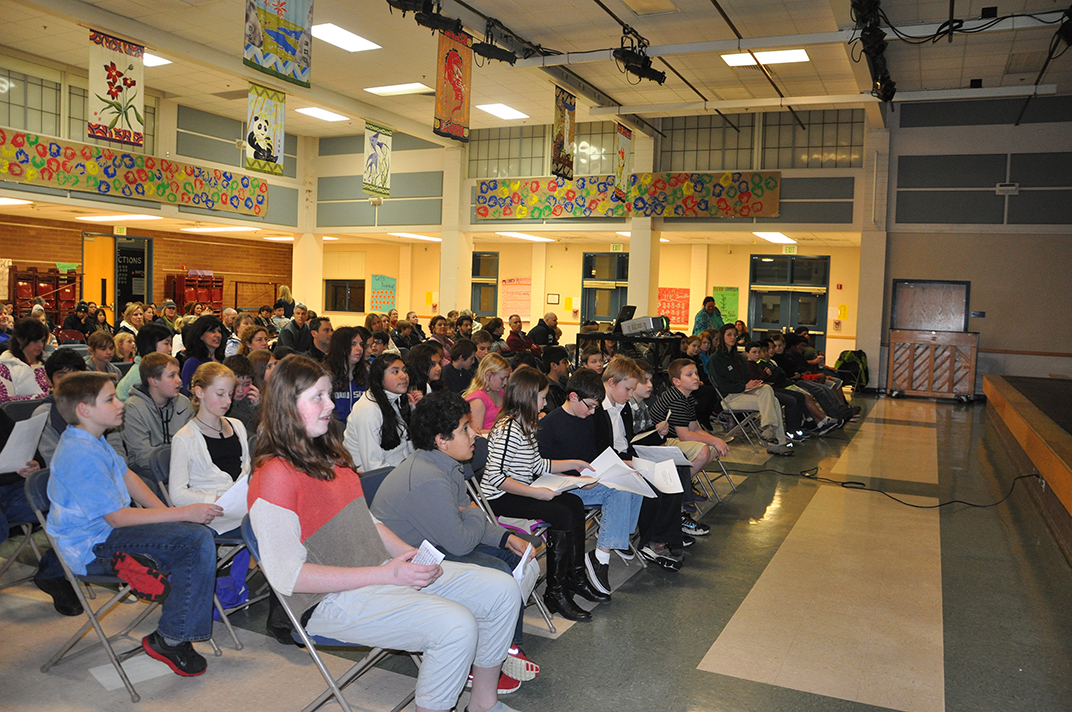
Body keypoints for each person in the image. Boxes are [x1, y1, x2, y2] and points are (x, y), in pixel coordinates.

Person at [248, 355, 523, 712]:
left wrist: (408, 555)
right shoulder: (273, 475)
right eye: (318, 397)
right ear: (286, 404)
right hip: (326, 600)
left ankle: (483, 704)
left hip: (375, 571)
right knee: (455, 626)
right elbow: (288, 576)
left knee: (501, 589)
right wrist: (388, 573)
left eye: (329, 394)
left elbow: (368, 524)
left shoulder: (331, 456)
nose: (331, 405)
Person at [47, 371, 220, 676]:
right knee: (193, 540)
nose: (120, 403)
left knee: (191, 536)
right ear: (84, 410)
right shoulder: (80, 453)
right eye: (110, 398)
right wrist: (181, 514)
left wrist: (171, 520)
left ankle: (166, 616)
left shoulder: (93, 440)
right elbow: (117, 517)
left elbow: (129, 479)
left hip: (112, 535)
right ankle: (171, 637)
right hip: (91, 548)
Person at [371, 391, 541, 694]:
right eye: (465, 428)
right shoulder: (428, 476)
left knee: (517, 557)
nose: (474, 434)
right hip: (412, 565)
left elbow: (465, 518)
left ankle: (504, 645)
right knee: (500, 571)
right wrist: (473, 515)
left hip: (439, 543)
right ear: (441, 439)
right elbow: (462, 541)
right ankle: (485, 661)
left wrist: (504, 535)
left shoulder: (447, 464)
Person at [480, 366, 595, 623]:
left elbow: (536, 465)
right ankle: (555, 592)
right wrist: (535, 493)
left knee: (574, 504)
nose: (545, 402)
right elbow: (497, 479)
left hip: (517, 489)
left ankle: (573, 578)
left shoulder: (526, 424)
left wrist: (573, 464)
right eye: (542, 397)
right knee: (562, 514)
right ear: (527, 397)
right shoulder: (508, 428)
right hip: (498, 498)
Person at [537, 367, 644, 595]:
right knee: (620, 492)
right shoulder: (549, 425)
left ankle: (618, 537)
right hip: (564, 487)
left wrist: (623, 467)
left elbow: (593, 455)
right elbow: (542, 471)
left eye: (596, 407)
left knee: (633, 481)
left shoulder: (585, 418)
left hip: (587, 480)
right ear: (574, 397)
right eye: (591, 406)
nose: (593, 412)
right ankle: (601, 557)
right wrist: (580, 480)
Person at [169, 362, 250, 514]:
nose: (228, 401)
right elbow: (177, 495)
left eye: (230, 394)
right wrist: (217, 500)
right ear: (199, 392)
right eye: (220, 394)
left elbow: (248, 471)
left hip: (242, 507)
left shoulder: (237, 426)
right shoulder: (185, 438)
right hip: (212, 512)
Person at [122, 352, 192, 476]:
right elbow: (142, 456)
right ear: (153, 381)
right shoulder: (133, 408)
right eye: (172, 376)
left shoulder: (183, 403)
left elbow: (193, 444)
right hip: (147, 470)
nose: (179, 381)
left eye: (178, 374)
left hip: (183, 467)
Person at [343, 354, 415, 471]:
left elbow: (408, 446)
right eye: (395, 372)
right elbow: (373, 466)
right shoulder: (368, 409)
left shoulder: (397, 399)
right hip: (374, 478)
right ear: (380, 378)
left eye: (404, 370)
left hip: (400, 469)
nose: (404, 376)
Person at [116, 322, 173, 402]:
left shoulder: (153, 369)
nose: (170, 348)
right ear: (151, 344)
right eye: (166, 343)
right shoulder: (139, 375)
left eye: (170, 344)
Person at [325, 326, 368, 426]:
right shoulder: (325, 376)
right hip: (334, 431)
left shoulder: (366, 375)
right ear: (340, 347)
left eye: (361, 344)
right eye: (353, 344)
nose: (359, 349)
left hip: (359, 430)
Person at [0, 317, 50, 402]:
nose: (40, 345)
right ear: (20, 340)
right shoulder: (6, 367)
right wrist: (45, 397)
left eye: (42, 341)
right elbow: (4, 401)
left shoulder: (48, 362)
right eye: (35, 341)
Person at [464, 353, 510, 435]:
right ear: (488, 375)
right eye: (502, 379)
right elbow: (475, 433)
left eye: (507, 378)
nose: (505, 382)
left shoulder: (501, 392)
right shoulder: (477, 399)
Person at [180, 315, 225, 393]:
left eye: (219, 331)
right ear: (200, 335)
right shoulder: (192, 363)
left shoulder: (224, 360)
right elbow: (186, 393)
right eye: (212, 331)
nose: (217, 335)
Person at [222, 354, 260, 432]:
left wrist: (258, 407)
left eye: (246, 385)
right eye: (236, 385)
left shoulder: (256, 401)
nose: (240, 390)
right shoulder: (223, 408)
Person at [541, 346, 570, 414]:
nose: (568, 365)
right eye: (564, 362)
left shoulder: (564, 383)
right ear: (554, 366)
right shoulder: (546, 390)